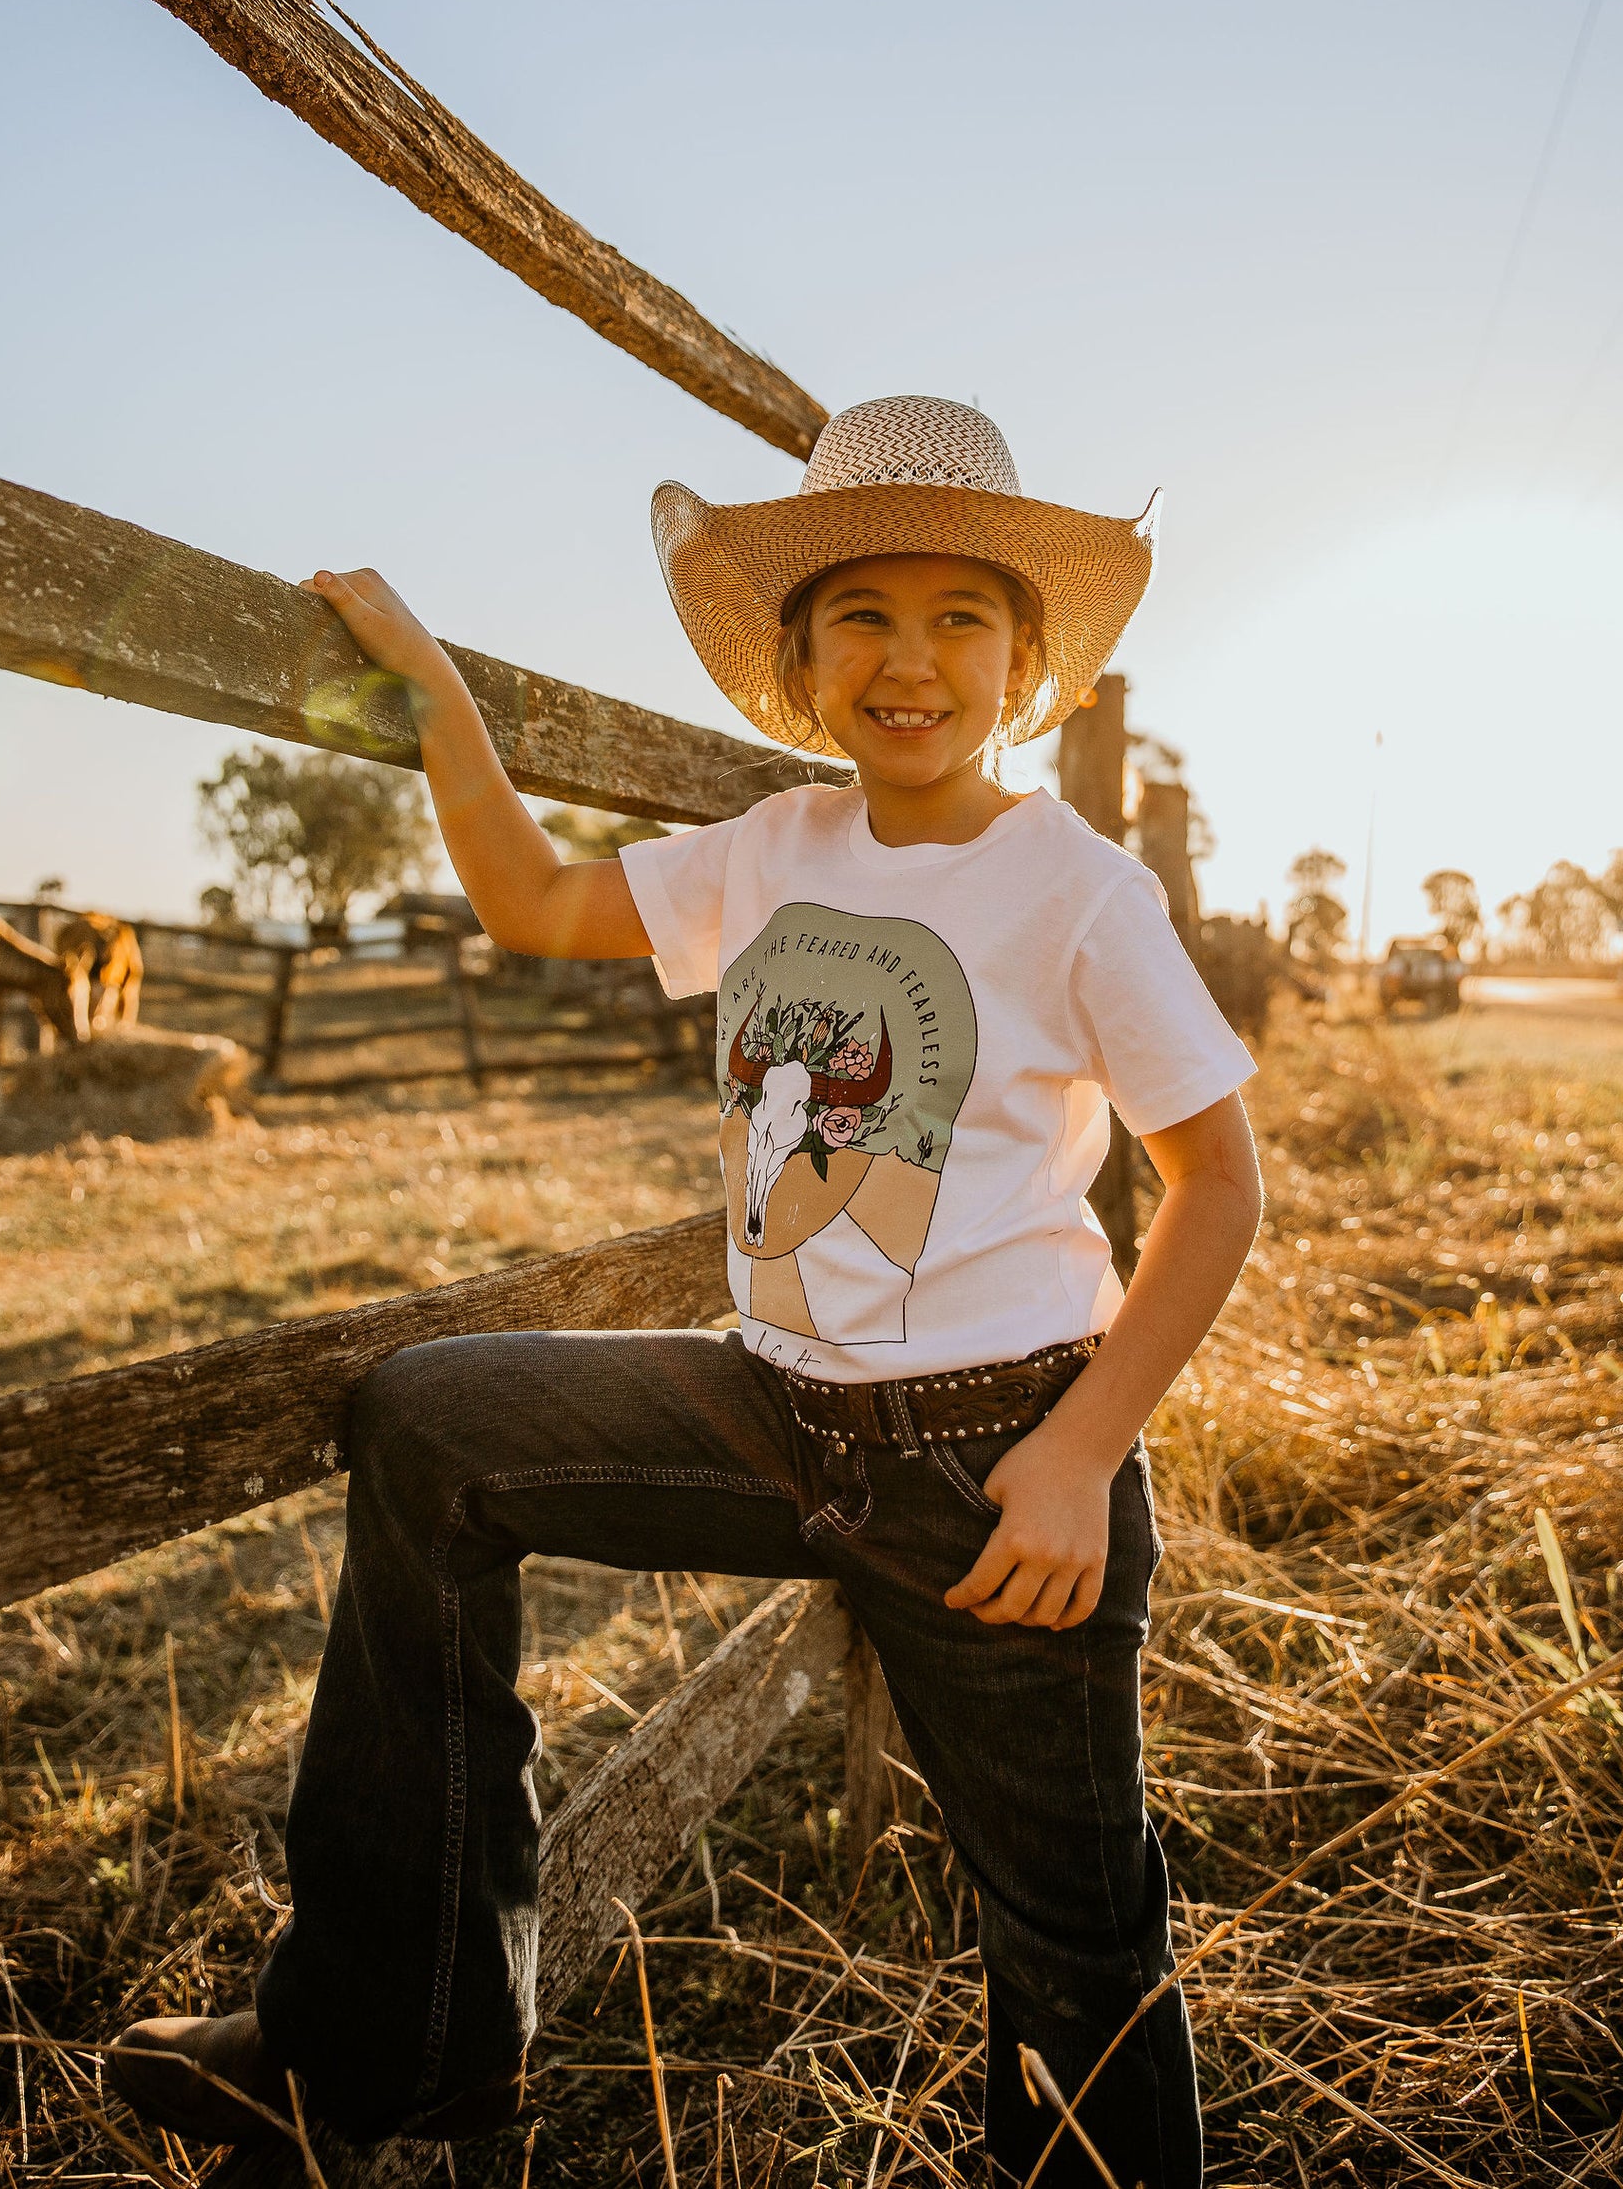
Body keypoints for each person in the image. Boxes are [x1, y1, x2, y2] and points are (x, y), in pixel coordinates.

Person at [106, 396, 1263, 2186]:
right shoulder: (769, 847)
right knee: (424, 1426)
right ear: (796, 666)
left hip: (992, 1467)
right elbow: (533, 900)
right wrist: (437, 700)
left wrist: (1081, 1455)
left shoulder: (1079, 892)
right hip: (768, 1409)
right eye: (861, 617)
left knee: (1074, 1936)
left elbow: (1216, 1188)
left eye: (962, 617)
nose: (910, 658)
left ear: (1026, 667)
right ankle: (377, 2041)